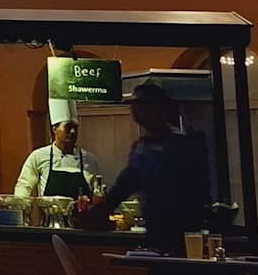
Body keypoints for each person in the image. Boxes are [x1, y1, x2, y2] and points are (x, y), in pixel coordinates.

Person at [79, 83, 210, 252]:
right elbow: (125, 183)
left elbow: (125, 184)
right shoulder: (144, 147)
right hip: (160, 227)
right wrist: (101, 210)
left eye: (141, 106)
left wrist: (101, 210)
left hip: (180, 227)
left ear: (158, 110)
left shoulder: (179, 145)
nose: (134, 111)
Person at [12, 110, 102, 210]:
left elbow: (98, 192)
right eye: (68, 127)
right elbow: (24, 186)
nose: (73, 131)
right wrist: (21, 209)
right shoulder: (38, 156)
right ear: (55, 129)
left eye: (75, 128)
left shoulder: (89, 160)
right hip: (50, 218)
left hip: (82, 219)